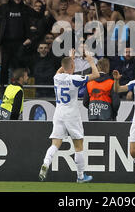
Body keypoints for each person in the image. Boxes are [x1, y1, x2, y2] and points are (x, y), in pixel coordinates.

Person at [39, 50, 100, 183]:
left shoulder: (57, 78)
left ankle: (45, 163)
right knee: (78, 145)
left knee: (55, 144)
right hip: (71, 114)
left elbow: (60, 70)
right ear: (73, 66)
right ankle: (80, 176)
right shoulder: (75, 79)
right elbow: (95, 74)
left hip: (59, 113)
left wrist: (70, 59)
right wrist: (90, 61)